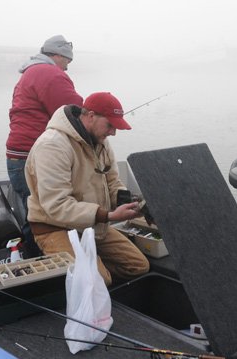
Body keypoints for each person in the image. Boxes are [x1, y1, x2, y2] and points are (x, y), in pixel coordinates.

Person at [25, 92, 150, 285]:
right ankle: (83, 277)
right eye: (110, 125)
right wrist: (107, 216)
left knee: (138, 266)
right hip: (55, 227)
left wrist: (135, 203)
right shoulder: (52, 145)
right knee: (99, 280)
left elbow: (113, 183)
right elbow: (57, 205)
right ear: (90, 116)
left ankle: (89, 272)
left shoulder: (101, 142)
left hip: (91, 225)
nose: (113, 133)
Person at [5, 35, 83, 255]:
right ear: (58, 55)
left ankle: (32, 263)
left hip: (19, 156)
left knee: (34, 215)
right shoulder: (49, 73)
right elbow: (73, 112)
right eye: (67, 61)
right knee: (46, 218)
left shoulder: (30, 73)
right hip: (35, 157)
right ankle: (48, 268)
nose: (67, 68)